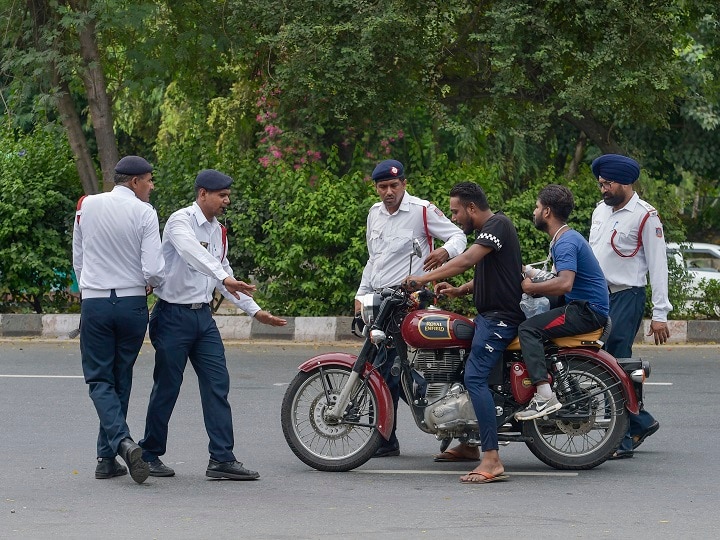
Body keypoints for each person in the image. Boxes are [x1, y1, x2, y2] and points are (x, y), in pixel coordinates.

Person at [139, 169, 286, 480]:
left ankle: (221, 458)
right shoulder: (181, 221)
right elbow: (195, 257)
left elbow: (225, 274)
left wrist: (255, 312)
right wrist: (223, 276)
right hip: (171, 316)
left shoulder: (219, 231)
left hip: (202, 319)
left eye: (228, 195)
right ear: (203, 193)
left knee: (218, 385)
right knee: (167, 387)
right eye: (221, 195)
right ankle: (149, 454)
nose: (226, 200)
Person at [404, 181, 524, 484]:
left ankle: (492, 459)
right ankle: (469, 445)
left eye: (456, 211)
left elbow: (468, 260)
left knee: (474, 377)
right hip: (489, 316)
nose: (455, 218)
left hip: (500, 319)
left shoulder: (497, 224)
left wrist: (423, 278)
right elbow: (495, 273)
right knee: (459, 369)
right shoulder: (493, 231)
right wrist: (459, 291)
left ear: (472, 208)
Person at [355, 159, 467, 458]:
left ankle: (387, 436)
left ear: (404, 183)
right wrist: (361, 293)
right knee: (387, 367)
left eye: (394, 185)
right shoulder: (374, 214)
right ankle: (436, 416)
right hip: (380, 302)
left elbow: (459, 236)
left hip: (409, 301)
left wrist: (444, 251)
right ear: (376, 188)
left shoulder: (422, 210)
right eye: (383, 187)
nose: (389, 192)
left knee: (386, 367)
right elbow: (373, 259)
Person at [72, 155, 165, 484]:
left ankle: (116, 446)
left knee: (99, 380)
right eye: (149, 180)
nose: (152, 186)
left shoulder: (87, 205)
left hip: (96, 303)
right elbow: (154, 268)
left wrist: (91, 289)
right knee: (120, 376)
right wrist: (150, 282)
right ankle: (108, 456)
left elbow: (78, 257)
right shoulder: (145, 212)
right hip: (131, 304)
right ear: (135, 182)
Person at [589, 154, 670, 459]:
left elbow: (658, 266)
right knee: (599, 362)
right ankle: (641, 422)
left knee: (616, 364)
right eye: (600, 184)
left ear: (625, 182)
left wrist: (660, 315)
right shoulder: (601, 211)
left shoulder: (646, 216)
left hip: (626, 296)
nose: (603, 189)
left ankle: (622, 436)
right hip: (598, 296)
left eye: (607, 183)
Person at [514, 185, 610, 421]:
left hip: (586, 311)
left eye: (537, 208)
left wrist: (530, 287)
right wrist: (526, 271)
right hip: (583, 304)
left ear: (547, 212)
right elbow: (556, 278)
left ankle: (544, 394)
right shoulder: (567, 237)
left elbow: (565, 283)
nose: (534, 213)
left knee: (528, 329)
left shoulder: (565, 243)